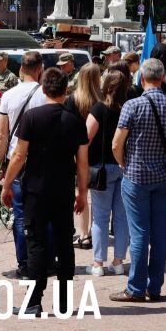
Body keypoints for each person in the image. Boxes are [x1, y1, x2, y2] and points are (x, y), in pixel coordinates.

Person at [0, 68, 89, 316]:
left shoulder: (32, 117)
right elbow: (82, 162)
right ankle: (63, 303)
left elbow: (19, 155)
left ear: (43, 89)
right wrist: (82, 193)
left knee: (36, 243)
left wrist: (6, 185)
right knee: (64, 244)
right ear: (65, 91)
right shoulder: (75, 121)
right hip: (63, 190)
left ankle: (34, 301)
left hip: (36, 190)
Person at [111, 58, 166, 302]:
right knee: (159, 233)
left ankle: (135, 287)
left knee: (140, 233)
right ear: (163, 77)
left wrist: (124, 162)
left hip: (136, 175)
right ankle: (155, 287)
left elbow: (116, 143)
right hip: (162, 176)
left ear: (141, 78)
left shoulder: (132, 106)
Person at [0, 51, 47, 278]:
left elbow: (1, 135)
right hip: (42, 158)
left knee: (19, 213)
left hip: (16, 159)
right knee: (43, 211)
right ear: (39, 69)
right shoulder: (46, 94)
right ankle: (44, 259)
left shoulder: (8, 95)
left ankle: (24, 262)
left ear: (22, 69)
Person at [86, 70, 130, 276]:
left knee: (100, 217)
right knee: (122, 217)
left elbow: (85, 137)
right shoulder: (129, 108)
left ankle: (98, 263)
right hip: (124, 166)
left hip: (101, 168)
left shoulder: (99, 109)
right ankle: (119, 262)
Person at [70, 64, 104, 250]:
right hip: (100, 153)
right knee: (98, 196)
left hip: (79, 151)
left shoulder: (74, 99)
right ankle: (95, 231)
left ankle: (84, 234)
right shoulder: (103, 99)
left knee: (80, 192)